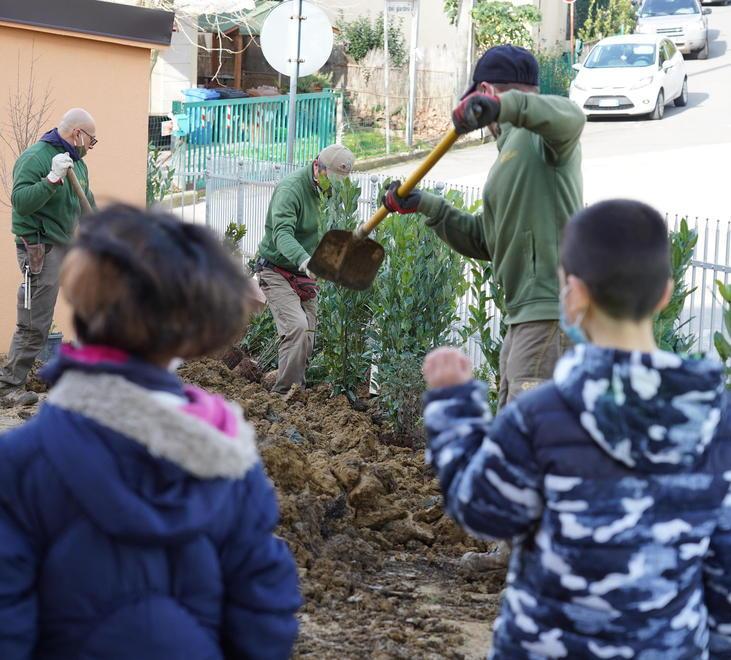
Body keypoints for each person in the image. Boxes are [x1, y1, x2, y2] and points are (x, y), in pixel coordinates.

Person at [421, 199, 731, 658]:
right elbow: (723, 558)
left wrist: (452, 408)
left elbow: (482, 511)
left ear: (574, 294)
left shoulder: (539, 416)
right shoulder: (718, 419)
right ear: (665, 293)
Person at [0, 205, 301, 658]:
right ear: (189, 337)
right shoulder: (231, 462)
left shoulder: (20, 464)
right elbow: (264, 611)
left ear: (81, 313)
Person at [383, 45, 586, 409]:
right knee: (514, 430)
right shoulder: (506, 154)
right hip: (523, 315)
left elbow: (572, 116)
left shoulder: (543, 137)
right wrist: (428, 206)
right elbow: (486, 241)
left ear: (487, 92)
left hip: (549, 312)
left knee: (525, 439)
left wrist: (504, 106)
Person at [0, 108, 97, 406]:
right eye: (90, 140)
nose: (90, 146)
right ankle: (7, 387)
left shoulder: (78, 164)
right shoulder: (36, 158)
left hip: (67, 246)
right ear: (77, 133)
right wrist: (52, 178)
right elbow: (21, 203)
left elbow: (86, 202)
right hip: (40, 250)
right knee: (34, 321)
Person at [257, 143, 355, 394]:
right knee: (297, 327)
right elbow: (281, 233)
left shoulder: (331, 192)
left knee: (307, 336)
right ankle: (283, 396)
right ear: (317, 167)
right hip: (276, 269)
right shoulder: (292, 189)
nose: (333, 187)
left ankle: (296, 392)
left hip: (306, 273)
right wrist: (305, 260)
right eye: (331, 180)